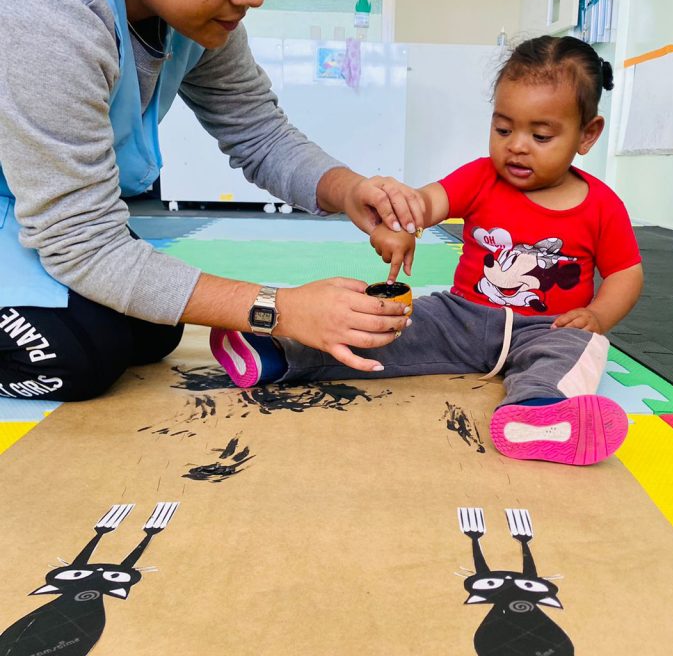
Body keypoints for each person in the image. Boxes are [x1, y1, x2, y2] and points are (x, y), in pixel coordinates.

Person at [0, 0, 422, 404]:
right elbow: (81, 239)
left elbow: (259, 131)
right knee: (77, 358)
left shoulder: (190, 7)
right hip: (37, 211)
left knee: (154, 328)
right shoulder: (38, 0)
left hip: (31, 207)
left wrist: (350, 190)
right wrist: (279, 309)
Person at [210, 36, 644, 466]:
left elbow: (625, 273)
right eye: (503, 129)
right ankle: (278, 354)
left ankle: (538, 412)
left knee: (578, 348)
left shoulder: (602, 206)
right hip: (460, 316)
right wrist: (401, 226)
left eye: (541, 135)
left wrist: (598, 315)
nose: (516, 145)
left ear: (587, 134)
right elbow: (424, 202)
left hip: (547, 328)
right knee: (388, 328)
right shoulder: (480, 178)